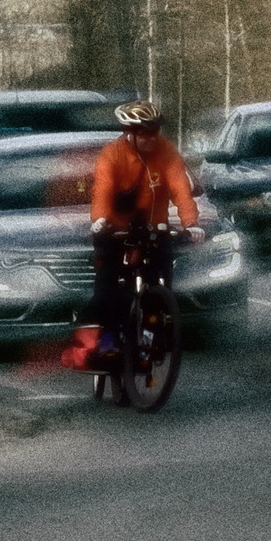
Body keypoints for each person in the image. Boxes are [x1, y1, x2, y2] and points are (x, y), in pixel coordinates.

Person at [86, 100, 200, 358]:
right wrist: (101, 219)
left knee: (161, 275)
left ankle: (154, 328)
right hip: (116, 229)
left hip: (153, 227)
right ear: (130, 133)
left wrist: (190, 223)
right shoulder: (112, 155)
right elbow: (102, 190)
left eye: (155, 132)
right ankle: (109, 336)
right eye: (144, 133)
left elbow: (181, 190)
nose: (151, 139)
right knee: (109, 280)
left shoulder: (166, 151)